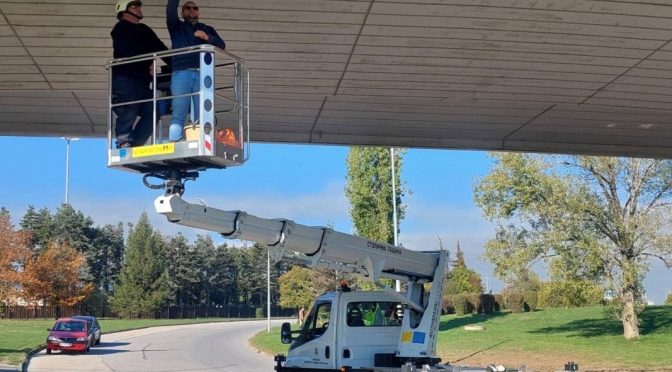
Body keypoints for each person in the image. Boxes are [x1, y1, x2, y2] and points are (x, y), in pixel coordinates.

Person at [111, 0, 168, 148]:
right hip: (126, 78)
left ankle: (135, 144)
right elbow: (128, 51)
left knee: (153, 111)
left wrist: (177, 63)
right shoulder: (120, 28)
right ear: (124, 11)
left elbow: (160, 48)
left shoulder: (144, 29)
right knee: (130, 108)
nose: (139, 9)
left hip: (142, 81)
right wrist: (147, 62)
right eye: (134, 7)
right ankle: (124, 141)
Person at [166, 0, 226, 142]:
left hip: (203, 73)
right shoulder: (177, 27)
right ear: (182, 12)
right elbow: (170, 11)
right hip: (181, 72)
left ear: (198, 11)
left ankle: (200, 143)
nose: (192, 10)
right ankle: (175, 144)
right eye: (188, 8)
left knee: (202, 113)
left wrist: (207, 37)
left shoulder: (206, 28)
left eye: (195, 8)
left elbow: (221, 45)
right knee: (179, 111)